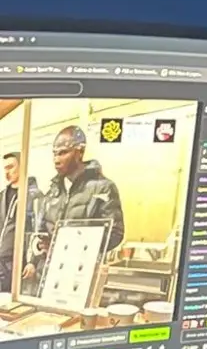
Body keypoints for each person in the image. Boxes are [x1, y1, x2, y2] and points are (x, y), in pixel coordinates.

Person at [23, 124, 125, 291]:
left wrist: (70, 246)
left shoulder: (103, 188)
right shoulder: (53, 192)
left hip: (80, 277)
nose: (56, 159)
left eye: (63, 152)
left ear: (80, 152)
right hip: (49, 276)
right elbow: (41, 232)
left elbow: (115, 234)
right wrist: (35, 257)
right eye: (55, 153)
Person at [0, 153, 40, 293]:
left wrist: (32, 261)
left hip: (19, 261)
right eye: (5, 168)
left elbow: (37, 229)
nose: (7, 172)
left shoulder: (33, 195)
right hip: (2, 260)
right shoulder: (2, 196)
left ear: (22, 167)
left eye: (10, 167)